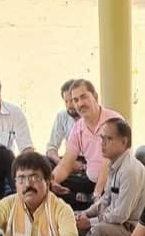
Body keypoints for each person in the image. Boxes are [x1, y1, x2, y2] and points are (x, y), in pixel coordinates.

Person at [75, 118, 145, 236]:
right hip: (114, 219)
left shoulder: (130, 171)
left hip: (131, 226)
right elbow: (106, 199)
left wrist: (90, 222)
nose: (102, 143)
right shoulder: (114, 165)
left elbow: (121, 215)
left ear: (124, 142)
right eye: (102, 138)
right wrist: (86, 213)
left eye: (108, 139)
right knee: (75, 217)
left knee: (97, 230)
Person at [51, 80, 123, 209]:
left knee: (98, 205)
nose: (80, 104)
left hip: (114, 183)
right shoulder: (78, 127)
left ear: (95, 97)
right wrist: (51, 181)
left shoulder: (114, 121)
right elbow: (66, 163)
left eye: (83, 97)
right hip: (91, 182)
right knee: (48, 187)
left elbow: (108, 163)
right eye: (75, 100)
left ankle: (89, 206)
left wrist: (97, 194)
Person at [46, 78, 78, 164]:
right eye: (66, 101)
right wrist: (59, 161)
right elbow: (51, 147)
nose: (69, 105)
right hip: (69, 161)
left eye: (72, 101)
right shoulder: (62, 116)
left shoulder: (89, 117)